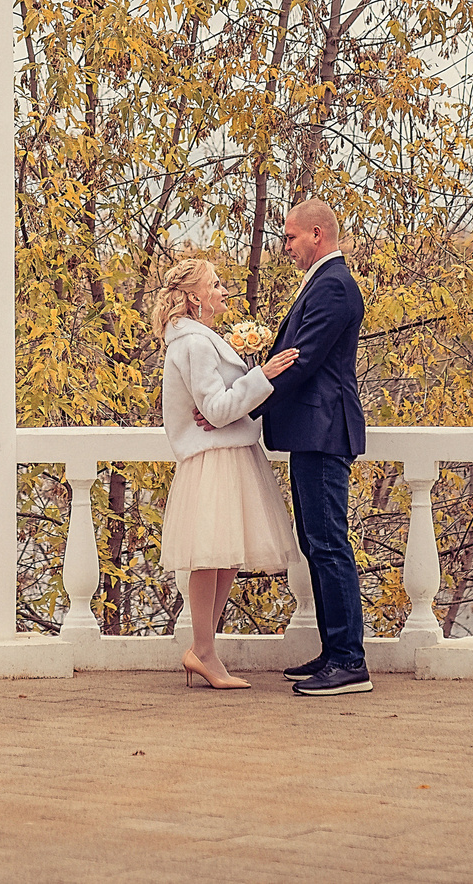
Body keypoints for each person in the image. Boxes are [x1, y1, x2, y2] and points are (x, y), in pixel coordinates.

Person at [235, 198, 371, 696]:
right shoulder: (325, 282)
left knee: (330, 543)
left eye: (291, 237)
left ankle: (351, 662)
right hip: (312, 431)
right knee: (317, 543)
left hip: (325, 431)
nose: (285, 245)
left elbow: (302, 359)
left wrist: (242, 404)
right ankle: (335, 653)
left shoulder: (334, 285)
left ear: (318, 234)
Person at [153, 257, 300, 690]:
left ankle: (204, 649)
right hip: (214, 458)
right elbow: (216, 411)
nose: (223, 291)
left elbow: (218, 405)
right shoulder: (195, 343)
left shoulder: (200, 338)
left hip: (228, 454)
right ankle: (203, 651)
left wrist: (245, 386)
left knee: (225, 559)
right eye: (215, 285)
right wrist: (262, 376)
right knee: (209, 558)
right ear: (195, 296)